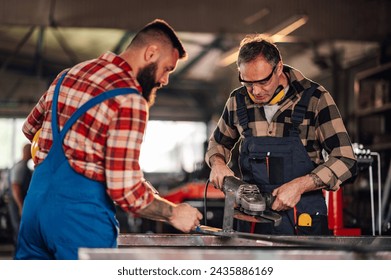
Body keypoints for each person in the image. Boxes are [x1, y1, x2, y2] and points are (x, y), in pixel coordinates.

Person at [16, 19, 202, 260]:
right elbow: (126, 193)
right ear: (151, 53)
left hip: (34, 212)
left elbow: (30, 128)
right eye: (167, 69)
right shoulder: (130, 99)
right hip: (80, 221)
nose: (164, 80)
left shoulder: (67, 75)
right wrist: (173, 212)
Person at [205, 35, 357, 235]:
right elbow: (218, 143)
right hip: (251, 222)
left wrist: (300, 185)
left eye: (263, 81)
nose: (255, 91)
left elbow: (346, 159)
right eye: (247, 82)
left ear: (278, 68)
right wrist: (217, 163)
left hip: (303, 220)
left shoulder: (315, 98)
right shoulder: (237, 100)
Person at [7, 143, 32, 246]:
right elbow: (15, 187)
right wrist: (20, 206)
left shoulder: (24, 166)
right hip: (16, 202)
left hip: (18, 202)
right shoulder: (21, 167)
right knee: (19, 229)